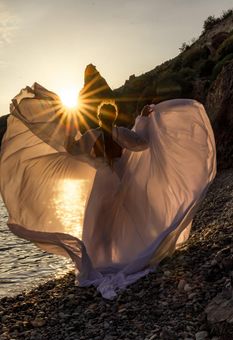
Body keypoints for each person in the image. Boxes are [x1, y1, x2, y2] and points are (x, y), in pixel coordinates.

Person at [0, 82, 216, 299]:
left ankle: (100, 262)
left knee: (99, 224)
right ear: (113, 116)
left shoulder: (91, 135)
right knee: (133, 218)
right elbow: (142, 144)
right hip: (121, 182)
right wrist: (143, 120)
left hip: (102, 184)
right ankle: (140, 251)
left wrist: (60, 134)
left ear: (98, 116)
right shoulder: (120, 133)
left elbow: (73, 150)